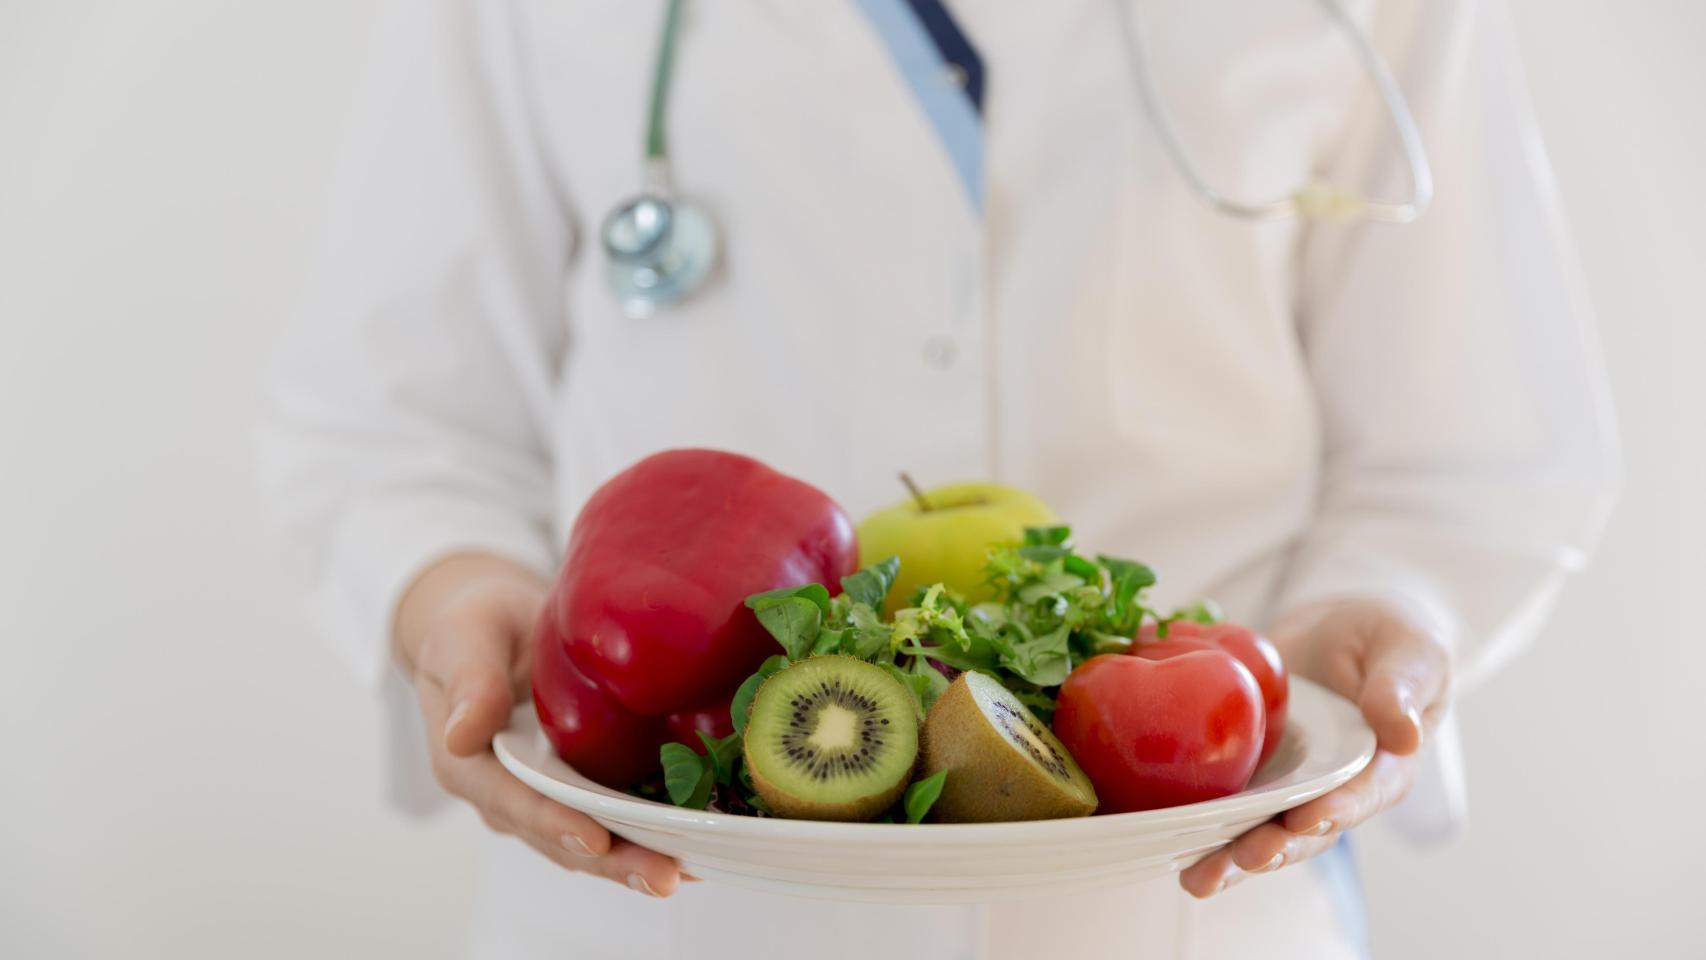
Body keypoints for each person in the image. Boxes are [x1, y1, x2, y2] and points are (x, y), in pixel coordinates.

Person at [256, 1, 1617, 957]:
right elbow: (392, 423)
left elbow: (1469, 452)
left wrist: (1352, 635)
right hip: (676, 900)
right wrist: (458, 599)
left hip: (1194, 891)